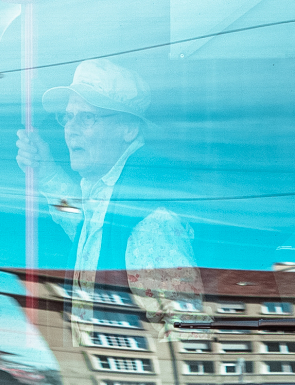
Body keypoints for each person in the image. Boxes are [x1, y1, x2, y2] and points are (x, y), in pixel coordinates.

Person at [15, 58, 199, 307]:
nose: (71, 128)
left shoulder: (148, 220)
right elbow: (87, 231)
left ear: (129, 128)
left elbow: (183, 331)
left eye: (87, 117)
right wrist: (46, 171)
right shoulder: (107, 190)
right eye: (68, 116)